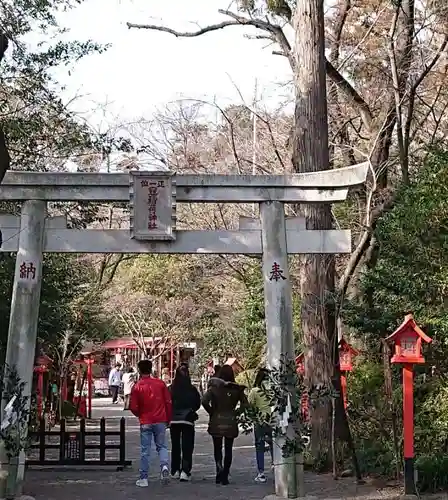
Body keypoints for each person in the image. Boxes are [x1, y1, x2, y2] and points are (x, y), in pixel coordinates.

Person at [129, 359, 172, 488]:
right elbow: (168, 402)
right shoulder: (160, 384)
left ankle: (144, 477)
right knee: (162, 446)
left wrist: (140, 415)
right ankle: (164, 466)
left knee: (145, 450)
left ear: (139, 370)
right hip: (160, 420)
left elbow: (133, 406)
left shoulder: (137, 386)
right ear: (151, 368)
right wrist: (168, 419)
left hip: (145, 420)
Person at [202, 365, 247, 485]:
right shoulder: (237, 389)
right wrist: (236, 413)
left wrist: (212, 412)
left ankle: (219, 471)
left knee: (217, 449)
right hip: (231, 421)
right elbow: (245, 404)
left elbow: (204, 401)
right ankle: (225, 474)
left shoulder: (214, 388)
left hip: (216, 420)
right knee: (228, 449)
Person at [169, 364, 201, 482]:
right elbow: (198, 403)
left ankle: (175, 470)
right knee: (187, 446)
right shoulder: (192, 389)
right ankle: (185, 471)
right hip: (188, 419)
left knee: (175, 446)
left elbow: (168, 402)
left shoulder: (171, 388)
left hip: (174, 420)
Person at [248, 368, 274, 483]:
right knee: (273, 444)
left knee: (260, 447)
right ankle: (275, 465)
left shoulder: (254, 391)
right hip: (271, 420)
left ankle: (261, 473)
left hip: (259, 421)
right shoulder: (272, 391)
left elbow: (250, 406)